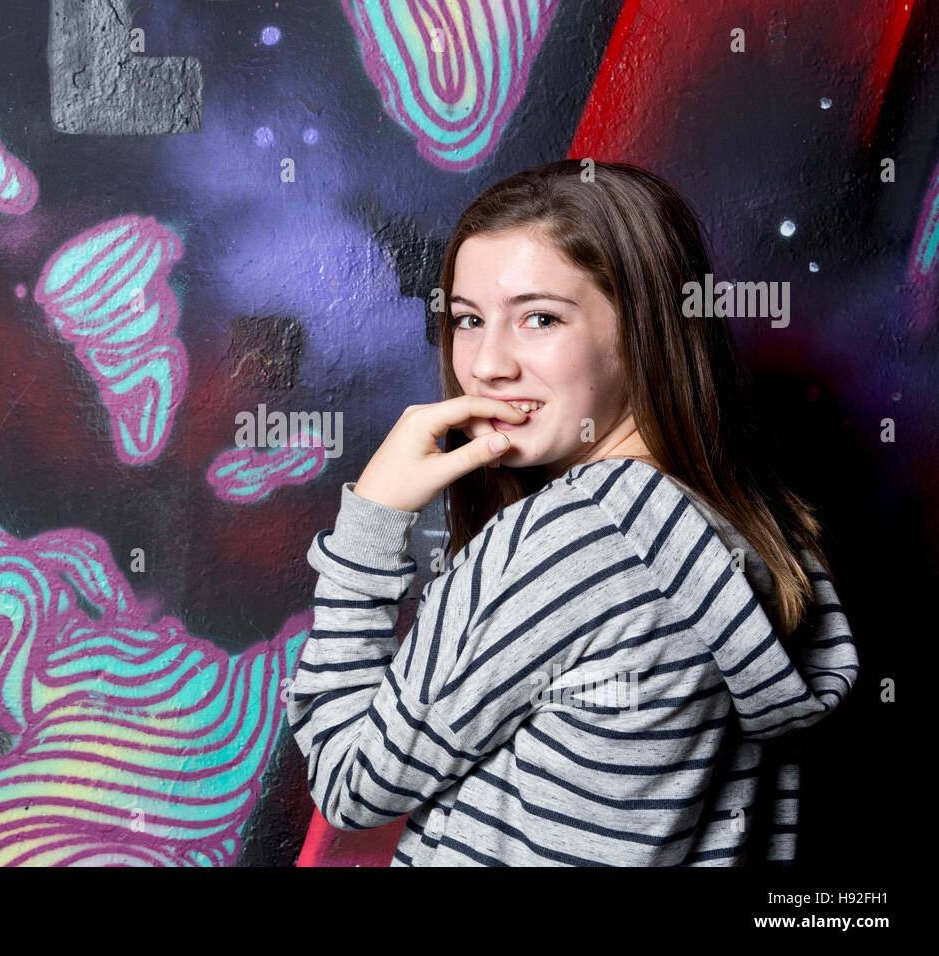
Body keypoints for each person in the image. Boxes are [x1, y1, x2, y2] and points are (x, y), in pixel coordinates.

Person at [286, 159, 859, 866]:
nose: (487, 363)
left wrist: (369, 527)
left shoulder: (571, 538)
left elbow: (352, 783)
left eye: (540, 318)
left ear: (643, 330)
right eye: (467, 319)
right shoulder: (753, 526)